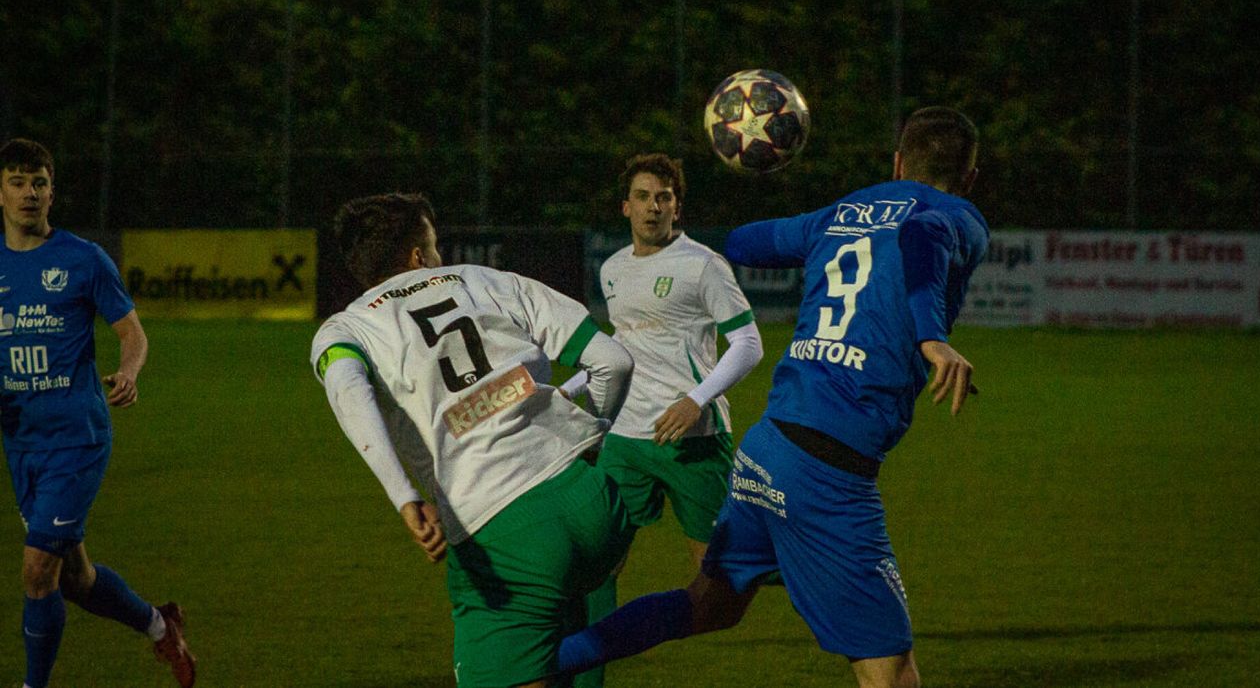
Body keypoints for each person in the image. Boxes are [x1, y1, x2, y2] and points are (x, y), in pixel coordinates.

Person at [556, 106, 989, 688]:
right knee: (891, 671)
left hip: (769, 446)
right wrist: (931, 337)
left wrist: (781, 193)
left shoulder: (841, 213)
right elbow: (920, 234)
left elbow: (743, 241)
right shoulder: (956, 216)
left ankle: (545, 662)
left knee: (712, 604)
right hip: (828, 472)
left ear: (897, 162)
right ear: (970, 176)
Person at [311, 192, 637, 688]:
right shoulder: (487, 280)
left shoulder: (347, 328)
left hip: (502, 531)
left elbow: (348, 392)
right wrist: (591, 439)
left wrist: (405, 498)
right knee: (568, 640)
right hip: (593, 502)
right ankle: (692, 610)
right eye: (434, 245)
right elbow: (613, 362)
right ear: (418, 257)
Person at [0, 138, 196, 688]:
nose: (29, 193)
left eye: (39, 182)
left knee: (38, 570)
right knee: (74, 579)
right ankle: (162, 628)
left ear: (52, 192)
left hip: (77, 438)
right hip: (22, 443)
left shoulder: (83, 259)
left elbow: (132, 334)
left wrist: (129, 371)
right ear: (0, 192)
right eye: (17, 181)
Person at [563, 153, 763, 688]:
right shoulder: (612, 269)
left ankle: (795, 561)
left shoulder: (702, 265)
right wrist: (569, 391)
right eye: (645, 197)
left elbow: (748, 343)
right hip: (625, 439)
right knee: (594, 561)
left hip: (693, 440)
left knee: (722, 585)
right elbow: (623, 347)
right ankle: (582, 675)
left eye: (665, 197)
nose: (654, 207)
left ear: (677, 205)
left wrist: (695, 399)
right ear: (625, 206)